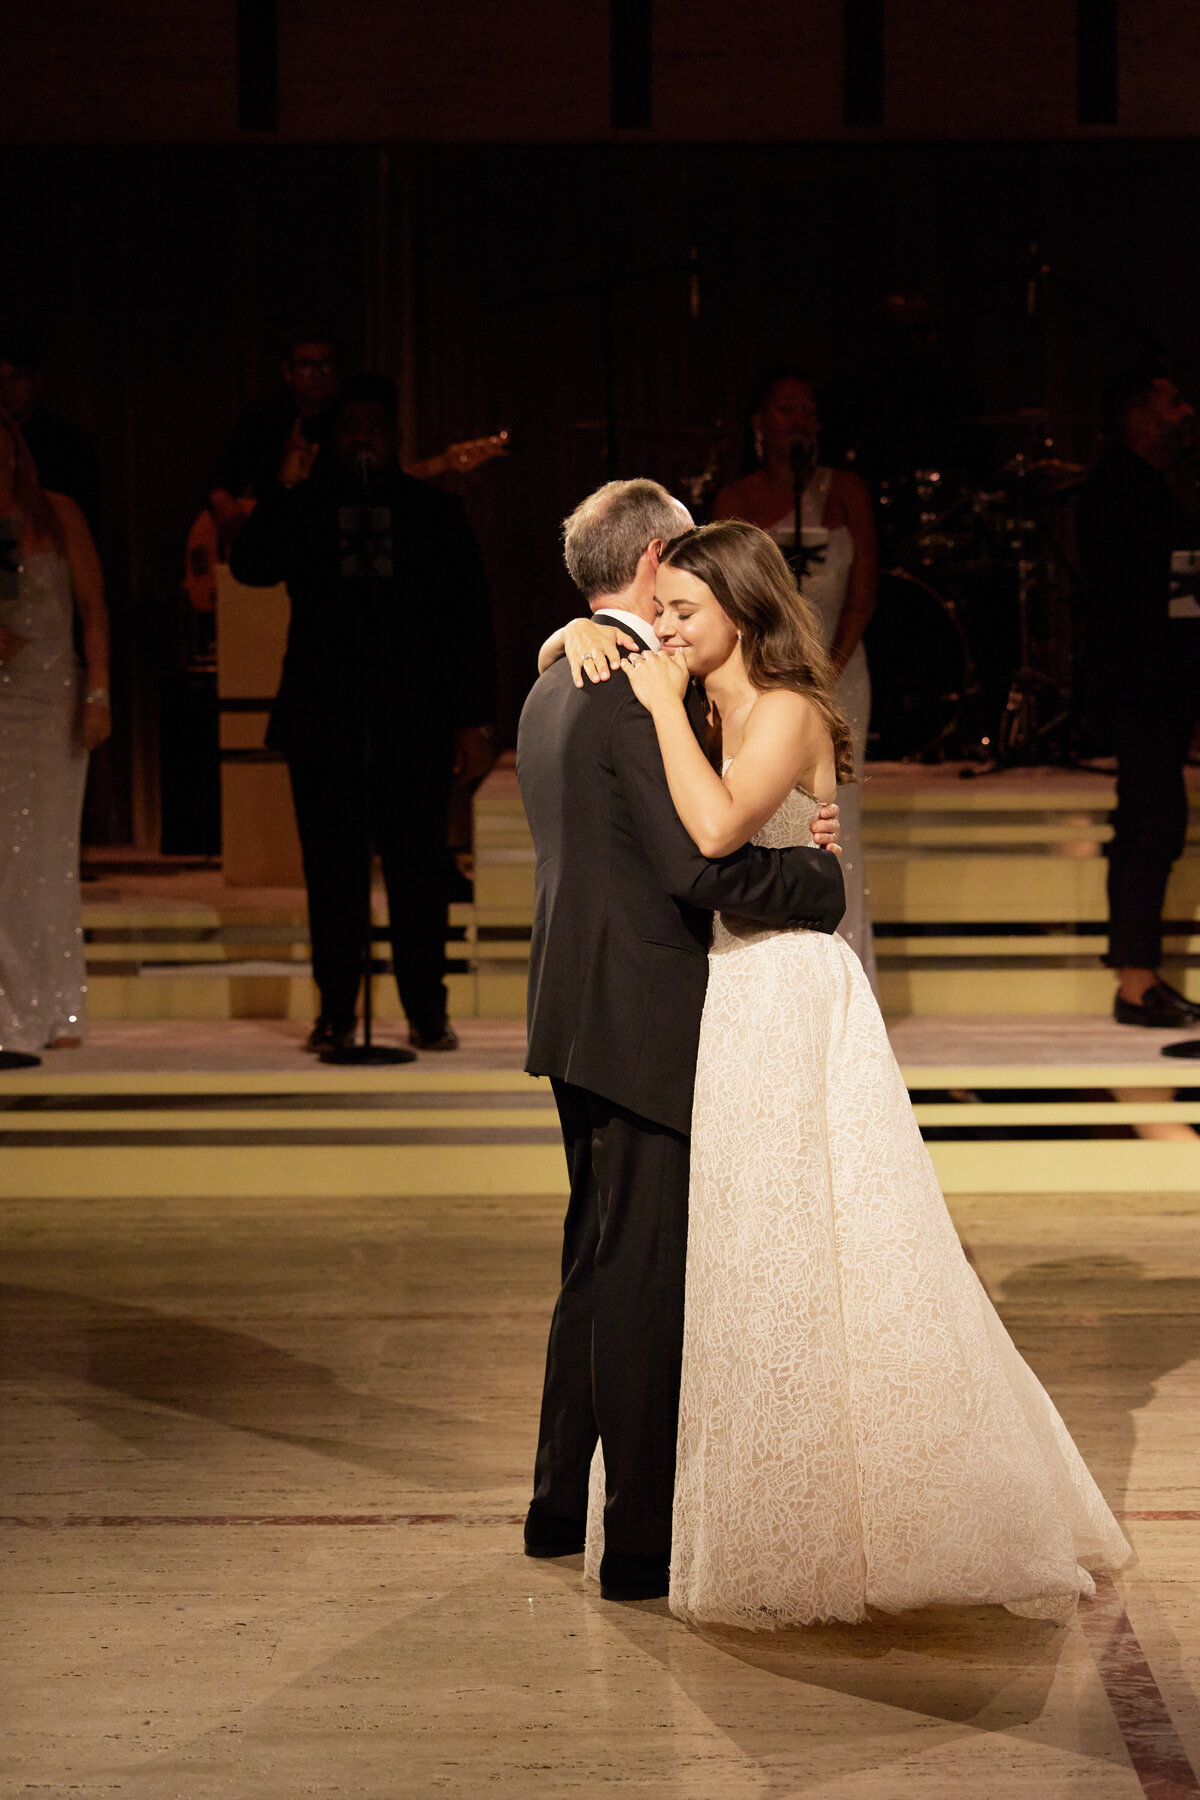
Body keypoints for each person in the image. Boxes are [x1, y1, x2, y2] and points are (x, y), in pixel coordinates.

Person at [556, 520, 1130, 1628]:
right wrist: (573, 635)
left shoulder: (783, 709)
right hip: (736, 992)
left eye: (683, 610)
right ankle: (777, 1511)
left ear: (743, 607)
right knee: (748, 1256)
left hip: (786, 991)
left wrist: (667, 707)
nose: (663, 629)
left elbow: (720, 830)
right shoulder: (717, 698)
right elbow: (606, 664)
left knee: (824, 1248)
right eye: (659, 611)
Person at [517, 478, 846, 1603]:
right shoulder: (623, 692)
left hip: (573, 1006)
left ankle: (559, 1501)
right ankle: (639, 1545)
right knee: (642, 1276)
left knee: (594, 1263)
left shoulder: (560, 674)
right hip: (640, 1015)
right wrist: (817, 875)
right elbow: (700, 863)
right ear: (657, 562)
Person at [230, 373, 497, 1053]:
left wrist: (474, 720)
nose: (362, 440)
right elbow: (251, 565)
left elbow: (469, 621)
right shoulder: (304, 507)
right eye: (349, 429)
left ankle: (426, 1010)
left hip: (416, 717)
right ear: (331, 440)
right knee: (333, 870)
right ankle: (336, 1010)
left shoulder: (434, 512)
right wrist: (283, 488)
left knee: (417, 867)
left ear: (395, 438)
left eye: (374, 428)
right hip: (325, 715)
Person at [715, 369, 878, 984]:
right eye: (785, 408)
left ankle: (849, 968)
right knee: (778, 811)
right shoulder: (737, 499)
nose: (800, 419)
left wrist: (826, 674)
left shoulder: (848, 492)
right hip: (764, 676)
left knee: (838, 817)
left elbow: (863, 594)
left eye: (808, 409)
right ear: (760, 424)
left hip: (839, 670)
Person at [1076, 367, 1200, 1028]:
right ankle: (1135, 980)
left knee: (1147, 824)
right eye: (1173, 404)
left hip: (1152, 686)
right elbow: (1153, 599)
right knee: (1152, 826)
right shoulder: (1122, 492)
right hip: (1144, 687)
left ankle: (1139, 974)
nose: (1187, 415)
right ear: (1139, 419)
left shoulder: (1142, 489)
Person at [0, 408, 111, 1059]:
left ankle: (56, 1005)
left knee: (44, 855)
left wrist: (98, 692)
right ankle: (7, 1011)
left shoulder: (59, 513)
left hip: (51, 701)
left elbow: (94, 612)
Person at [209, 325, 341, 554]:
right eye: (307, 365)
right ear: (288, 372)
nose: (317, 374)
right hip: (273, 548)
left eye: (326, 365)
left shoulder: (349, 422)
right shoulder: (263, 416)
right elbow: (225, 473)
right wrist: (221, 499)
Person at [0, 328, 103, 539]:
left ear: (36, 381)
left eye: (16, 378)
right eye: (0, 381)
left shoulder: (71, 444)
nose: (6, 389)